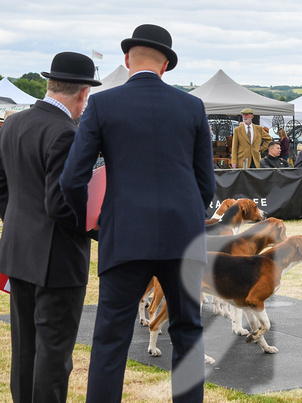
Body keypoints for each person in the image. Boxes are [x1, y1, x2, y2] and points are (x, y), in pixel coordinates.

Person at [59, 24, 216, 402]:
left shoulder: (102, 103)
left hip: (124, 234)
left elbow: (72, 179)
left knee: (111, 338)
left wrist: (91, 223)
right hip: (182, 235)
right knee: (188, 332)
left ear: (128, 59)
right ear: (166, 66)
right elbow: (206, 185)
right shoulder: (191, 106)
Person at [0, 52, 101, 403]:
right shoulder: (65, 133)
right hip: (56, 261)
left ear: (49, 84)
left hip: (17, 251)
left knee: (25, 350)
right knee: (54, 357)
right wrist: (98, 227)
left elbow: (3, 187)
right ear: (83, 93)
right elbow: (60, 205)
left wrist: (17, 222)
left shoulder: (12, 123)